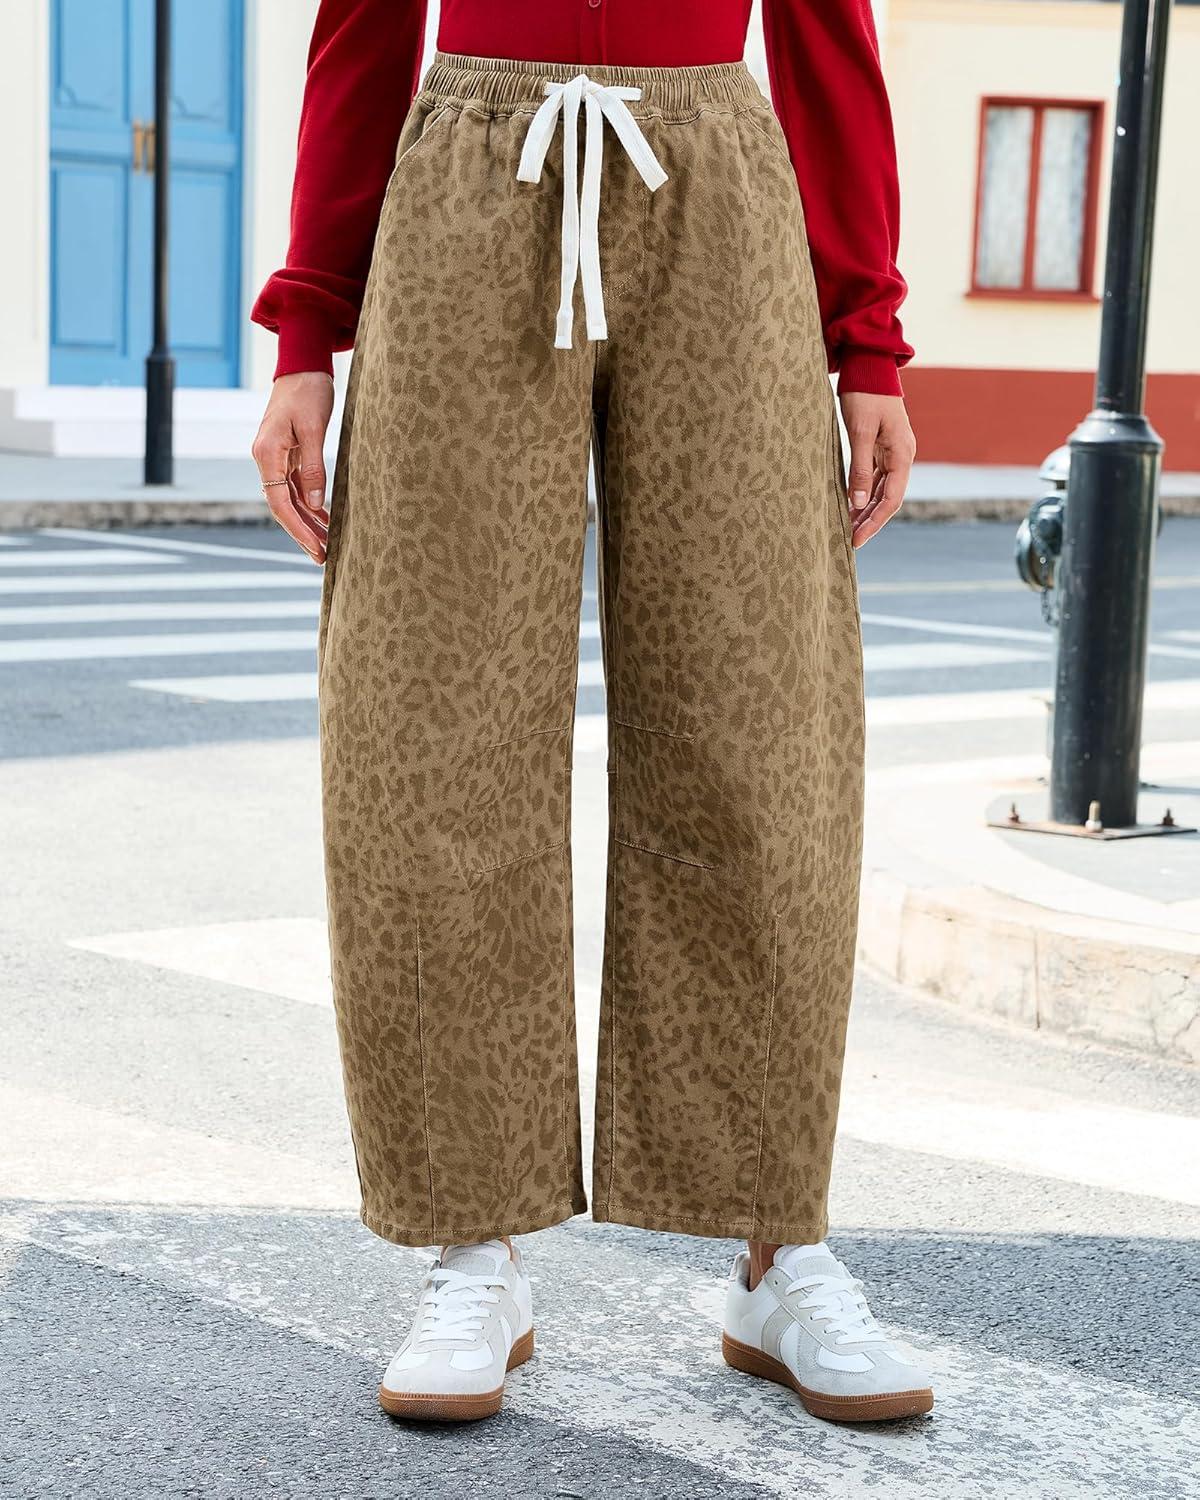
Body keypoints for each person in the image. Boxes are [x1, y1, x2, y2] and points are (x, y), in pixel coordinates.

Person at [251, 0, 930, 1426]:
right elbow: (360, 27)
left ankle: (776, 1242)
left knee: (760, 726)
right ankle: (472, 1241)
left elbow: (829, 29)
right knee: (430, 728)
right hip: (469, 178)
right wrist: (308, 328)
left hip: (720, 191)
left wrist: (866, 339)